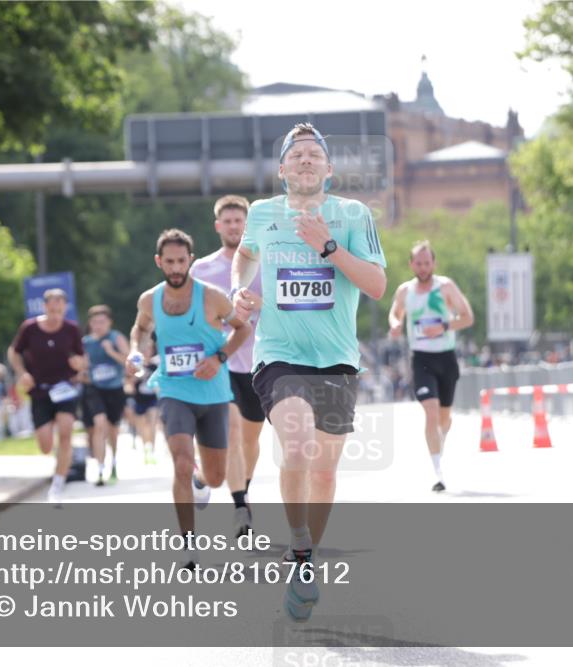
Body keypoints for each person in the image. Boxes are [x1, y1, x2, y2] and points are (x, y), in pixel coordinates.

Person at [230, 122, 387, 621]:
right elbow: (244, 255)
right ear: (281, 170)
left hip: (338, 360)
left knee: (323, 470)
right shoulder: (261, 214)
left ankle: (304, 559)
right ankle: (299, 547)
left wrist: (328, 247)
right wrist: (240, 288)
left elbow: (378, 285)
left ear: (328, 169)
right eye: (295, 154)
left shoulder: (352, 215)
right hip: (278, 354)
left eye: (313, 154)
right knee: (296, 446)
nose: (304, 160)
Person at [126, 229, 251, 569]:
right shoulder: (149, 299)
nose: (177, 268)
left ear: (191, 261)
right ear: (159, 262)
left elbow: (243, 329)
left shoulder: (212, 297)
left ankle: (201, 482)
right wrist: (136, 353)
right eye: (170, 262)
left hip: (213, 394)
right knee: (181, 461)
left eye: (182, 261)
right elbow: (139, 329)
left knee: (215, 478)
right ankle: (189, 547)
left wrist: (219, 359)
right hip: (173, 390)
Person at [190, 194, 265, 538]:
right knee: (232, 434)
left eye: (240, 221)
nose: (235, 227)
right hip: (221, 363)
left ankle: (206, 477)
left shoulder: (265, 263)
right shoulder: (201, 270)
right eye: (229, 221)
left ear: (248, 225)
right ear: (218, 226)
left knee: (250, 441)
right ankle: (241, 506)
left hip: (260, 364)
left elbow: (281, 306)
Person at [387, 240, 474, 492]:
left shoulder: (445, 287)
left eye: (427, 263)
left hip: (446, 358)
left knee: (444, 419)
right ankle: (439, 473)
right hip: (421, 359)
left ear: (433, 263)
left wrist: (444, 326)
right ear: (411, 264)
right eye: (418, 263)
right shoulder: (405, 290)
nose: (423, 267)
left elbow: (467, 317)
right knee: (431, 412)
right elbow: (395, 312)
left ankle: (440, 443)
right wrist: (395, 324)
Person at [7, 288, 87, 504]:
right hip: (40, 390)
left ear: (65, 308)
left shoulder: (71, 330)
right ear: (44, 307)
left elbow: (82, 359)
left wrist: (79, 365)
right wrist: (22, 372)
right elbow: (14, 351)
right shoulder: (30, 328)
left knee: (66, 433)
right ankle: (55, 456)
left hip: (65, 389)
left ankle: (57, 485)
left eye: (59, 308)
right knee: (45, 446)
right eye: (51, 307)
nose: (55, 312)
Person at [82, 305, 130, 485]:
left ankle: (114, 462)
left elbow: (129, 361)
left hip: (115, 389)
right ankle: (100, 469)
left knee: (112, 430)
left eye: (102, 322)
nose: (98, 325)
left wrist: (111, 351)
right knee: (99, 424)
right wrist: (82, 370)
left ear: (109, 322)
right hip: (95, 389)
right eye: (94, 322)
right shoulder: (85, 342)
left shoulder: (116, 338)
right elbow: (81, 364)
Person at [125, 355, 159, 465]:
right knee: (143, 426)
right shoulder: (135, 366)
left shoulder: (155, 366)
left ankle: (153, 450)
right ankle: (146, 449)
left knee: (152, 423)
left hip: (152, 398)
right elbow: (128, 384)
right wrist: (135, 378)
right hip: (139, 399)